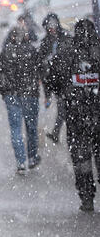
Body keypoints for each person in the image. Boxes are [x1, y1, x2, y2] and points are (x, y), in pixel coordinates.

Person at [44, 18, 100, 212]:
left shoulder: (66, 53)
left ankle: (86, 198)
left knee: (81, 158)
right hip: (94, 114)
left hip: (76, 116)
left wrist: (65, 94)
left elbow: (51, 80)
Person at [0, 27, 43, 174]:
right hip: (30, 94)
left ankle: (21, 162)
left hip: (12, 95)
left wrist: (3, 90)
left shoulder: (6, 53)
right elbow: (42, 70)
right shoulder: (32, 52)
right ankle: (32, 157)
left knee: (16, 129)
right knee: (31, 127)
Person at [38, 13, 70, 143]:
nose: (51, 28)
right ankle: (58, 133)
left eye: (53, 25)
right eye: (49, 26)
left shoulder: (65, 38)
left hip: (65, 79)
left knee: (65, 109)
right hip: (55, 81)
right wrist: (47, 93)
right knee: (63, 108)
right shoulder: (46, 42)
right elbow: (42, 66)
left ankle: (59, 133)